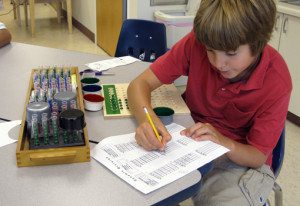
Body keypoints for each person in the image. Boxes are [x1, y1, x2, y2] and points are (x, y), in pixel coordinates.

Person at [127, 0, 292, 205]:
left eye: (231, 54)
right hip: (187, 142)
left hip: (237, 158)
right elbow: (138, 84)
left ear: (258, 43)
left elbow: (257, 155)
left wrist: (223, 142)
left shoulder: (276, 80)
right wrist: (147, 120)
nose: (217, 63)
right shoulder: (198, 41)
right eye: (210, 50)